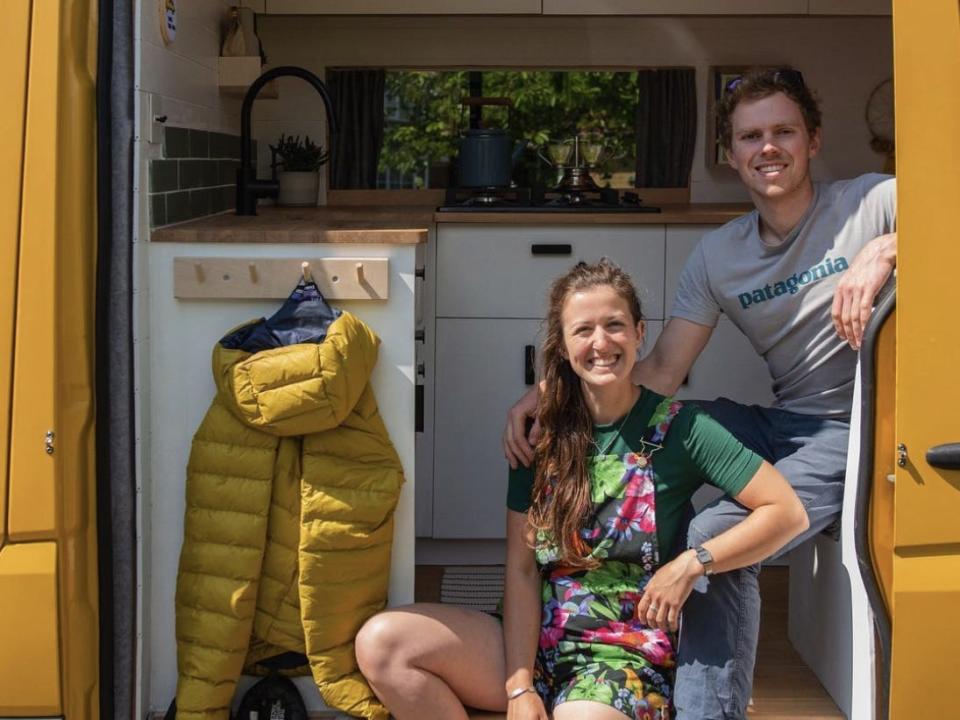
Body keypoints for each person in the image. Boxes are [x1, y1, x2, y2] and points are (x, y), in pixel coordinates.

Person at [503, 67, 897, 719]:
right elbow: (655, 374)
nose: (767, 147)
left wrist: (889, 245)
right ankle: (606, 621)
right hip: (784, 419)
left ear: (814, 140)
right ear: (732, 152)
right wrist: (554, 394)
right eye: (751, 136)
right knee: (672, 428)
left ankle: (704, 709)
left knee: (715, 532)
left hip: (856, 429)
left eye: (783, 132)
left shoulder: (873, 202)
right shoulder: (720, 255)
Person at [355, 260, 808, 720]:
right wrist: (518, 686)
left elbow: (788, 511)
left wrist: (695, 562)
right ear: (564, 344)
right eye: (583, 330)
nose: (601, 343)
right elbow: (522, 570)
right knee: (384, 643)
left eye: (614, 326)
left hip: (623, 653)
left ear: (639, 333)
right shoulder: (538, 433)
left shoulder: (683, 428)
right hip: (534, 639)